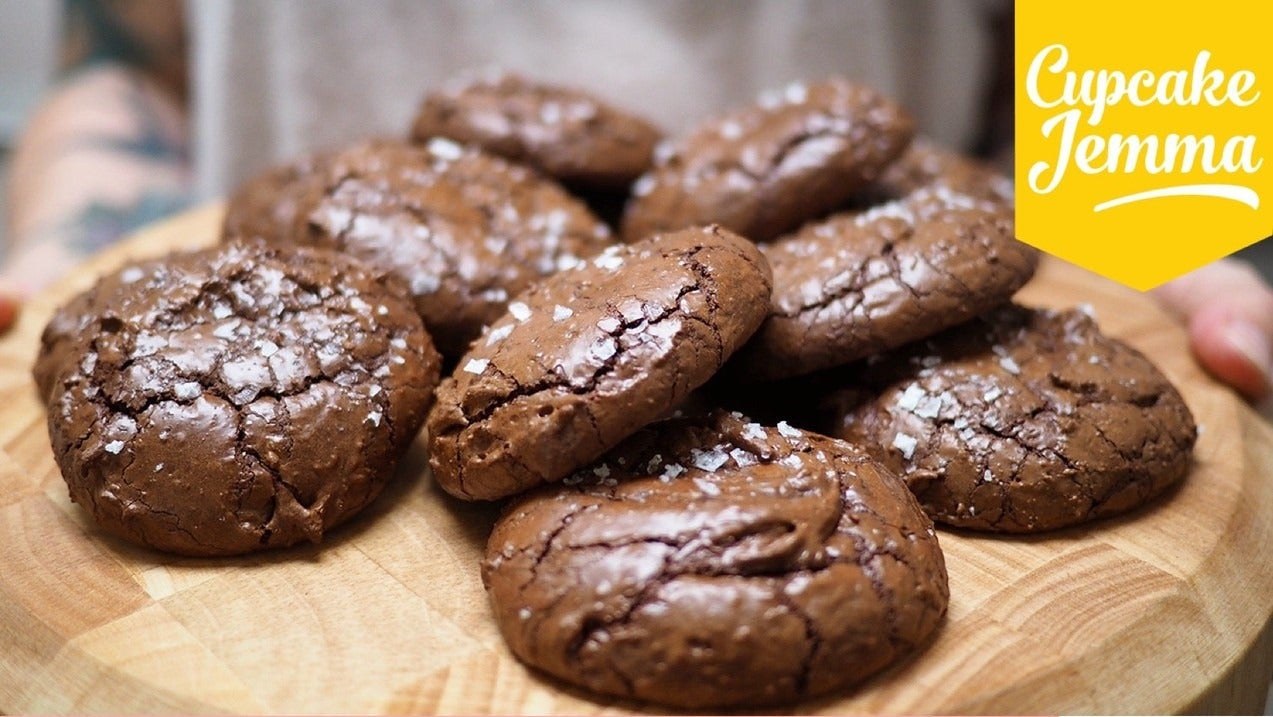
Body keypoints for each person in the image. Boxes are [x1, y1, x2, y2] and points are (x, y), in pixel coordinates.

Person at [3, 0, 1271, 404]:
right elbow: (132, 50)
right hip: (293, 324)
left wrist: (1165, 222)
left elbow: (1145, 32)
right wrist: (78, 230)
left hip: (864, 351)